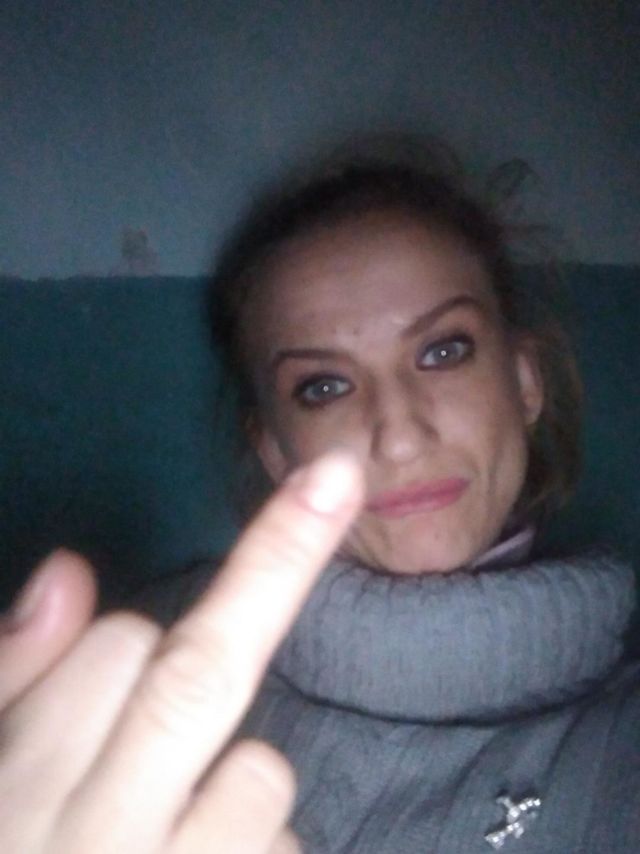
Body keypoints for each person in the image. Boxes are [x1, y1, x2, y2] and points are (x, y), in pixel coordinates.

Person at [2, 142, 638, 852]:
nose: (400, 437)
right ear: (275, 451)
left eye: (443, 351)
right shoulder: (137, 651)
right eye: (324, 387)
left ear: (523, 383)